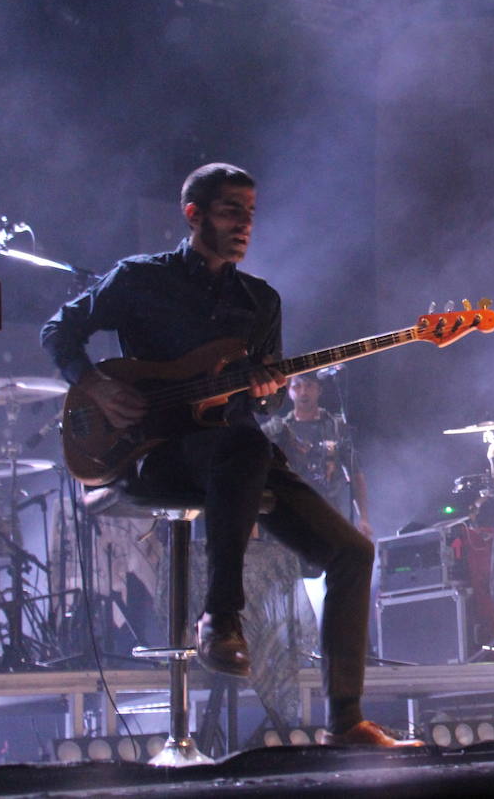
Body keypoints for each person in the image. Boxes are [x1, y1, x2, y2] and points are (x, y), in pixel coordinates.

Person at [41, 163, 420, 747]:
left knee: (353, 551)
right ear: (193, 214)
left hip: (236, 450)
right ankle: (221, 617)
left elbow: (259, 411)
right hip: (157, 451)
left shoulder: (259, 301)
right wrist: (92, 383)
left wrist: (267, 393)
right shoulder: (140, 279)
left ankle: (347, 722)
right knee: (242, 445)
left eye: (250, 213)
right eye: (230, 210)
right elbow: (59, 332)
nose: (244, 224)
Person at [263, 372, 373, 539]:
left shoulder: (336, 427)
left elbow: (355, 473)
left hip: (330, 513)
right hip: (291, 514)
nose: (303, 392)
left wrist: (363, 518)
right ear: (289, 391)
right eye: (297, 386)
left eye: (309, 386)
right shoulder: (277, 430)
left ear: (319, 389)